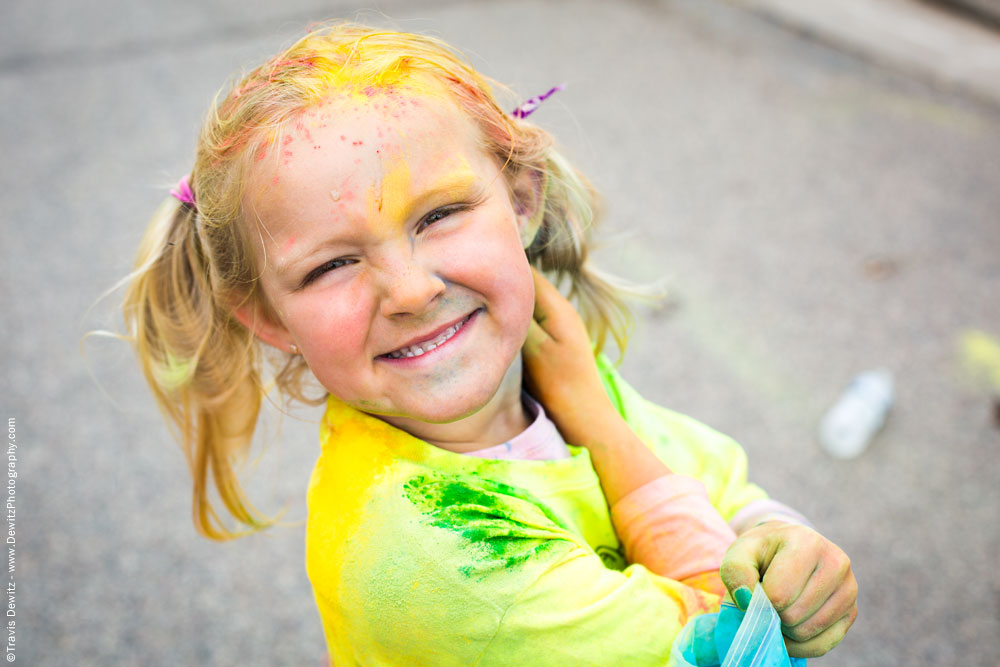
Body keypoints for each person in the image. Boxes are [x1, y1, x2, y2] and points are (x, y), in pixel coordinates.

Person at [122, 22, 857, 664]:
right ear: (268, 318)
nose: (410, 291)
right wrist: (597, 422)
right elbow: (745, 651)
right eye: (332, 264)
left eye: (438, 214)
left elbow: (711, 480)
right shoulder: (436, 557)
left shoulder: (540, 368)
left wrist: (778, 540)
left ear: (522, 199)